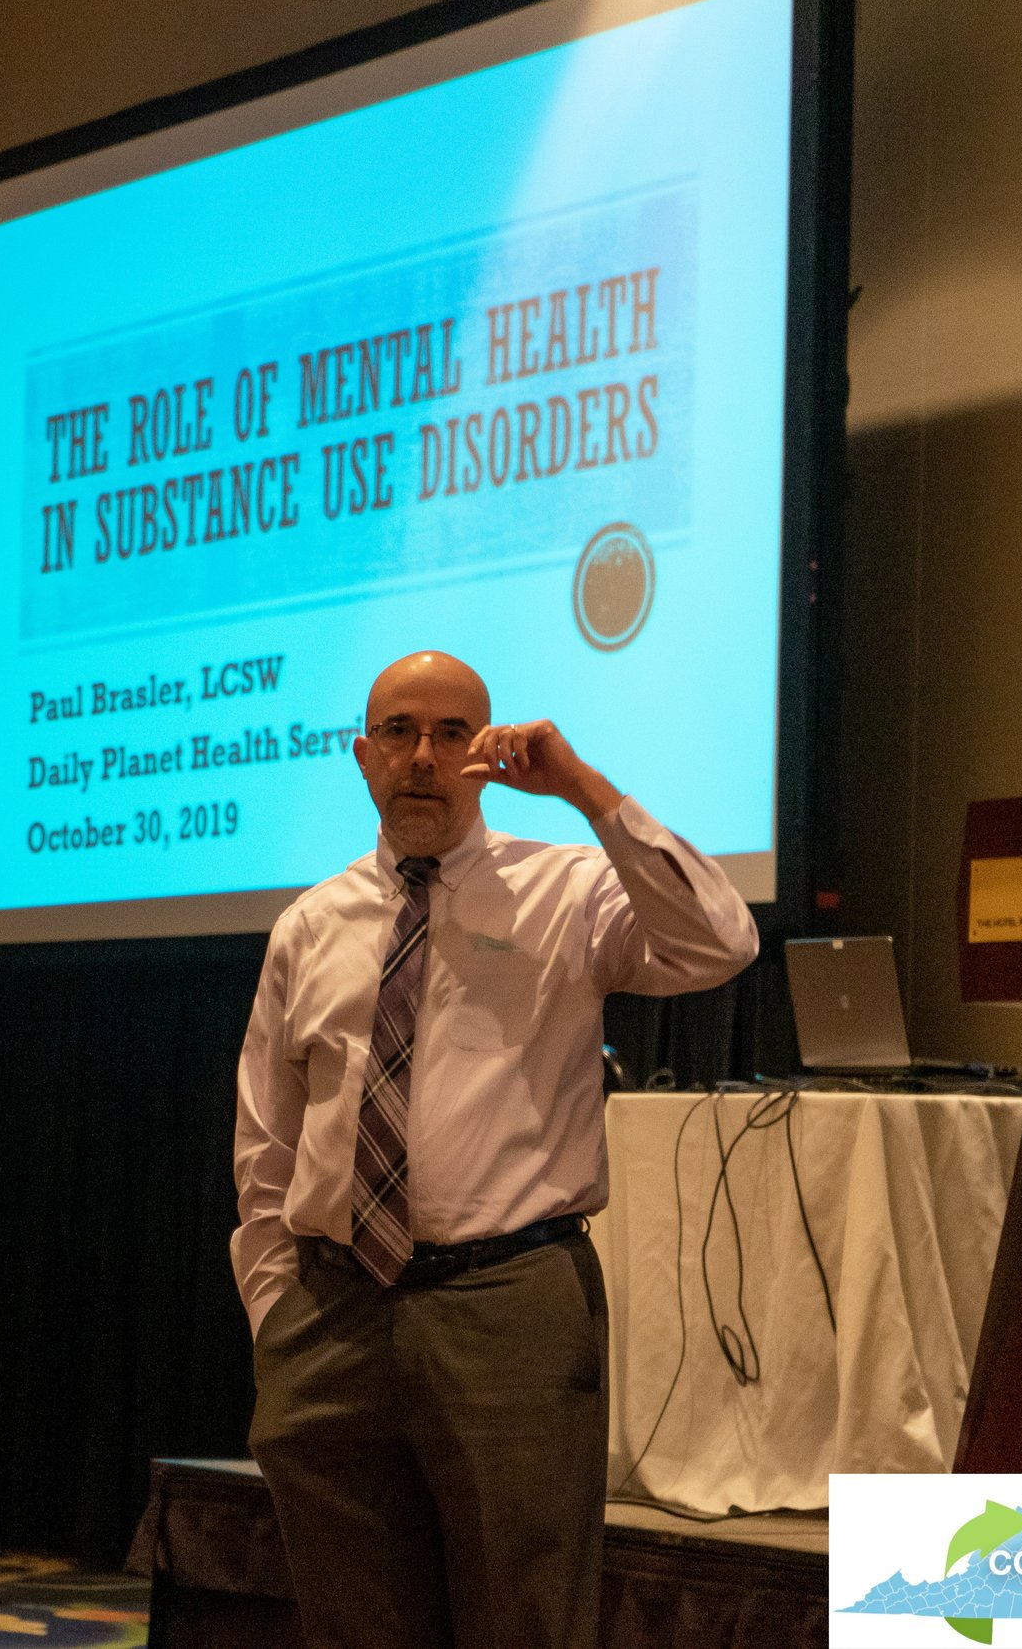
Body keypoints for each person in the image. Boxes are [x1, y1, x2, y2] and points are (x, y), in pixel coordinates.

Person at [233, 649, 758, 1649]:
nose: (420, 757)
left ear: (483, 754)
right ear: (361, 756)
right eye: (397, 732)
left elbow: (718, 943)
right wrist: (275, 1306)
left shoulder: (567, 890)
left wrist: (586, 791)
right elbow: (268, 1135)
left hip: (505, 1303)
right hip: (331, 1310)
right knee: (353, 1623)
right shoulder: (311, 922)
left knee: (524, 1617)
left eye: (447, 734)